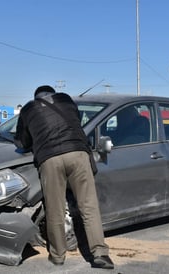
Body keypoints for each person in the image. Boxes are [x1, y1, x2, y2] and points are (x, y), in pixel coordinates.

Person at [14, 85, 114, 269]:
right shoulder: (66, 100)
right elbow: (75, 121)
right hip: (78, 154)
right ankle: (100, 254)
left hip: (50, 158)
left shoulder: (29, 109)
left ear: (36, 97)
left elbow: (22, 141)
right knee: (89, 207)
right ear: (53, 93)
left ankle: (58, 256)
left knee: (55, 209)